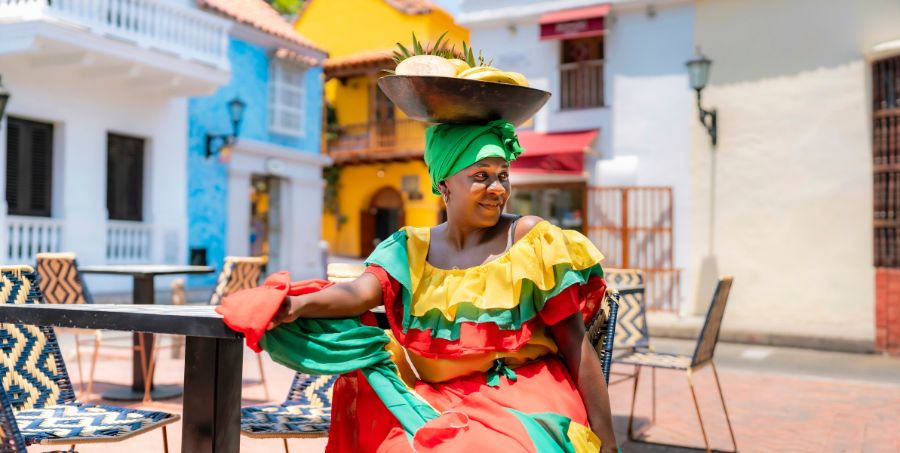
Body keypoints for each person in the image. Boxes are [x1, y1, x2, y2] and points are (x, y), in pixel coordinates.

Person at [266, 120, 617, 452]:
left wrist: (608, 441)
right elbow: (359, 293)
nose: (498, 189)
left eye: (503, 176)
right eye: (481, 176)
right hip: (440, 399)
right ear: (444, 184)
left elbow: (576, 344)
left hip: (526, 394)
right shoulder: (409, 247)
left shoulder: (527, 239)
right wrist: (299, 305)